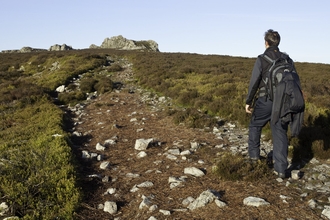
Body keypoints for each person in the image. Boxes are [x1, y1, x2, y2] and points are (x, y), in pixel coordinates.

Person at [245, 29, 296, 179]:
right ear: (278, 42)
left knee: (255, 125)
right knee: (280, 131)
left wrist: (248, 101)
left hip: (266, 101)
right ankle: (280, 170)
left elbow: (254, 82)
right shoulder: (287, 59)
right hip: (284, 103)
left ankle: (254, 159)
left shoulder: (262, 59)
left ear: (266, 43)